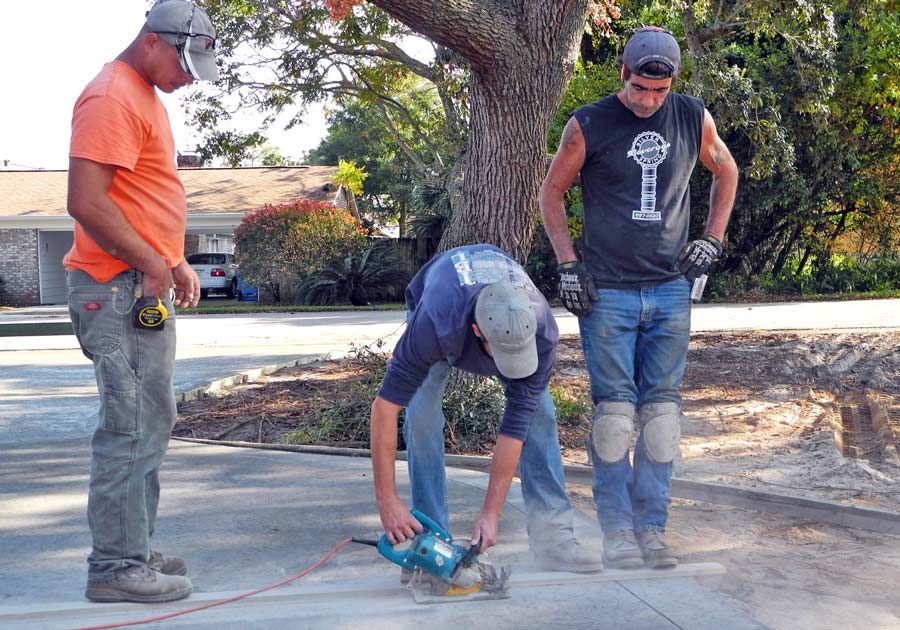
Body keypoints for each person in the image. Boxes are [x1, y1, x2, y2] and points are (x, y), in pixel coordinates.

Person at [539, 26, 739, 569]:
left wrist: (712, 238)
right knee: (614, 418)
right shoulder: (590, 124)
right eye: (640, 89)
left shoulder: (691, 116)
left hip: (670, 290)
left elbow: (727, 169)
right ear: (623, 74)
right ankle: (618, 534)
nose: (649, 101)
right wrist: (568, 265)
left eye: (660, 90)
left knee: (661, 416)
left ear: (672, 82)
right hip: (608, 294)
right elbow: (550, 192)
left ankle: (652, 529)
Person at [64, 0, 219, 603]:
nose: (187, 80)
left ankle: (135, 546)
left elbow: (137, 197)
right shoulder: (112, 97)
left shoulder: (142, 94)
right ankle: (114, 567)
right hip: (117, 287)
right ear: (153, 41)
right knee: (129, 426)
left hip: (141, 282)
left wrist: (174, 259)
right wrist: (154, 261)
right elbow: (87, 201)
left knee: (152, 421)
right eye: (184, 64)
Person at [370, 244, 603, 572]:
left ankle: (556, 540)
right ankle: (432, 545)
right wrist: (387, 500)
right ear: (478, 332)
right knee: (421, 417)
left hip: (495, 307)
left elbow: (515, 427)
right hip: (441, 300)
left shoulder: (541, 330)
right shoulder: (436, 323)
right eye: (503, 354)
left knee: (540, 415)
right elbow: (384, 408)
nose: (510, 364)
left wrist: (491, 514)